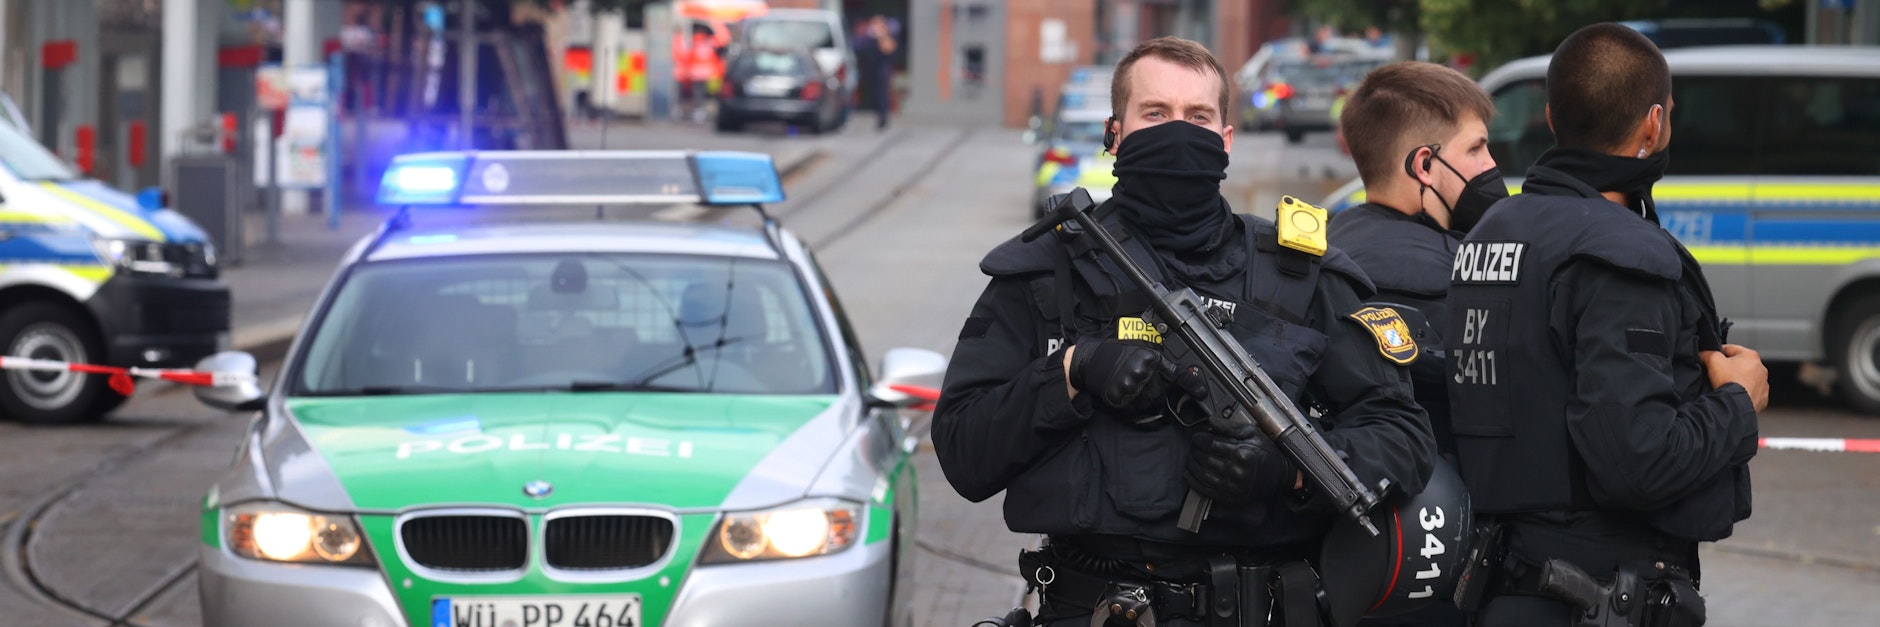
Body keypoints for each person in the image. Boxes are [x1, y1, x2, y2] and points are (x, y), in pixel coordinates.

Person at [933, 36, 1435, 626]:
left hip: (1264, 608)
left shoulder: (1302, 274)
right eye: (1155, 114)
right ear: (1115, 133)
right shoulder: (1047, 273)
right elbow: (964, 451)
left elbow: (1402, 433)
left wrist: (1287, 471)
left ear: (1225, 140)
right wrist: (1072, 372)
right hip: (1094, 607)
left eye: (1197, 117)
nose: (1178, 131)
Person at [1445, 23, 1765, 626]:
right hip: (1597, 593)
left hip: (1506, 584)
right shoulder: (1621, 254)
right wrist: (1737, 401)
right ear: (1653, 125)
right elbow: (1639, 462)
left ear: (1549, 116)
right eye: (1668, 113)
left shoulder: (1492, 232)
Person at [1325, 60, 1500, 627]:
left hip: (1354, 566)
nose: (1492, 166)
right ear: (1425, 164)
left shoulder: (1330, 242)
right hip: (1431, 561)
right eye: (1476, 149)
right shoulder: (1445, 274)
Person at [855, 15, 897, 129]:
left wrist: (881, 36)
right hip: (868, 70)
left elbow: (888, 49)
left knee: (882, 94)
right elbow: (857, 47)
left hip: (882, 70)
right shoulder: (867, 37)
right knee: (871, 93)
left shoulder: (886, 36)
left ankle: (882, 118)